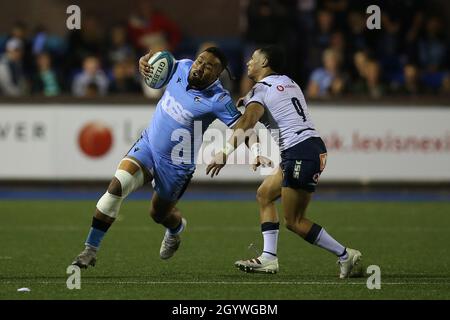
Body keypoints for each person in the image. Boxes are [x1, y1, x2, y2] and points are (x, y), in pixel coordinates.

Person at [71, 47, 269, 268]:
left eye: (209, 66)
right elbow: (157, 65)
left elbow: (245, 127)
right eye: (200, 61)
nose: (200, 67)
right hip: (148, 146)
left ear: (217, 75)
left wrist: (257, 152)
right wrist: (144, 63)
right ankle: (90, 249)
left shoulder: (218, 99)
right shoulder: (182, 66)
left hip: (176, 167)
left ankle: (176, 229)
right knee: (117, 187)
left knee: (157, 214)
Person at [207, 46, 362, 279]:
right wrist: (250, 102)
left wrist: (225, 151)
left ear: (265, 62)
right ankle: (269, 257)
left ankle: (345, 255)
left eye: (253, 58)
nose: (248, 62)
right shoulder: (288, 82)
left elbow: (249, 121)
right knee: (264, 194)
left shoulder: (260, 89)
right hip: (309, 149)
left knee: (294, 221)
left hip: (300, 152)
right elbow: (268, 104)